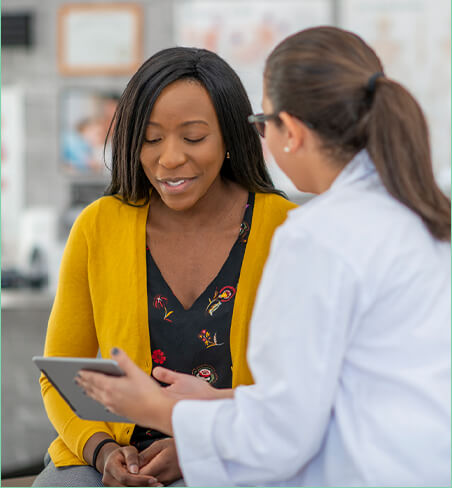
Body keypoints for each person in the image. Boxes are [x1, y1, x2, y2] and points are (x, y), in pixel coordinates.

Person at [77, 26, 451, 487]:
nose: (170, 158)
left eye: (264, 123)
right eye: (152, 139)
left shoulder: (310, 236)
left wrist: (158, 409)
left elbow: (276, 440)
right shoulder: (420, 216)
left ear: (288, 131)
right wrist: (219, 401)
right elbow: (327, 392)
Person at [33, 47, 296, 487]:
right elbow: (60, 376)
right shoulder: (98, 226)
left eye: (193, 137)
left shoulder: (285, 229)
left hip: (234, 447)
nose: (169, 158)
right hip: (106, 452)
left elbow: (298, 389)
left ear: (231, 137)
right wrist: (102, 452)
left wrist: (199, 443)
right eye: (151, 139)